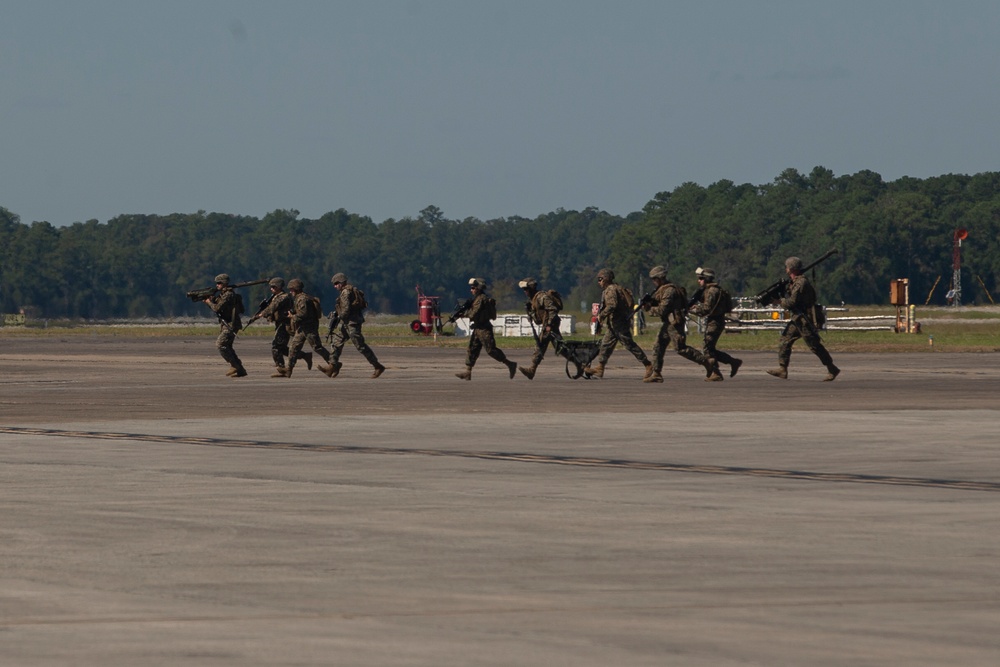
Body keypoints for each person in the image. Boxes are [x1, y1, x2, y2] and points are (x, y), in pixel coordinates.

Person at [767, 257, 840, 381]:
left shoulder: (801, 283)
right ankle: (783, 369)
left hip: (805, 320)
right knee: (785, 340)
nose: (786, 269)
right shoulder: (794, 282)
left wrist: (779, 301)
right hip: (797, 319)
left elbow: (792, 302)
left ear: (791, 268)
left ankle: (832, 368)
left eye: (787, 267)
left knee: (814, 345)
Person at [642, 265, 715, 383]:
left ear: (660, 278)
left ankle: (706, 362)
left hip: (675, 324)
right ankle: (656, 373)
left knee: (681, 348)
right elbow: (657, 301)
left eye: (654, 279)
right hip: (668, 323)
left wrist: (649, 308)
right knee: (658, 347)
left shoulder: (669, 290)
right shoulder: (662, 289)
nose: (653, 282)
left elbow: (662, 310)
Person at [583, 268, 652, 379]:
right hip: (614, 325)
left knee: (629, 345)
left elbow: (612, 305)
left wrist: (601, 316)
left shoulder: (611, 289)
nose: (599, 282)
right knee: (605, 345)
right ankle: (600, 368)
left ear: (606, 279)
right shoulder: (614, 288)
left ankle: (648, 364)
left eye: (600, 279)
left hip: (619, 324)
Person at [248, 277, 312, 378]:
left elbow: (272, 308)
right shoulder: (276, 296)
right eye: (271, 287)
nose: (271, 289)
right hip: (280, 324)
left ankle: (281, 368)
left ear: (278, 287)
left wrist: (259, 315)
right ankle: (304, 355)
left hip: (285, 324)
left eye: (273, 287)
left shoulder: (283, 297)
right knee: (282, 348)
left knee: (276, 347)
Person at [455, 277, 517, 381]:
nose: (471, 290)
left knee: (491, 350)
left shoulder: (481, 299)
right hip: (478, 328)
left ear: (478, 288)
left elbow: (474, 313)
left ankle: (510, 364)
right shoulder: (477, 299)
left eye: (473, 288)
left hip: (484, 329)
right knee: (472, 349)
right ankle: (468, 372)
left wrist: (464, 314)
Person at [687, 267, 742, 382]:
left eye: (701, 278)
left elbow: (706, 309)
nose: (699, 281)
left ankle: (717, 372)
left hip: (715, 322)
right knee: (710, 348)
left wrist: (692, 309)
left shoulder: (712, 291)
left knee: (707, 348)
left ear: (706, 279)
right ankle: (731, 363)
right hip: (715, 321)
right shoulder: (713, 290)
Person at [327, 273, 385, 379]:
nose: (335, 286)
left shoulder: (345, 292)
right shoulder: (349, 290)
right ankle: (332, 365)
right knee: (337, 342)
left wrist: (337, 316)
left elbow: (345, 310)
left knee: (360, 346)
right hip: (347, 323)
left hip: (352, 323)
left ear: (341, 283)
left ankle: (378, 366)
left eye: (336, 284)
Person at [281, 278, 335, 378]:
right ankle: (289, 369)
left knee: (317, 347)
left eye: (291, 289)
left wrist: (292, 316)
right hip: (302, 328)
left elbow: (303, 314)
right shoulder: (300, 298)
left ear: (296, 289)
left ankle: (333, 365)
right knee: (293, 348)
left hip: (309, 328)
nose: (290, 291)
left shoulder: (302, 299)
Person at [517, 277, 566, 380]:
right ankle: (581, 365)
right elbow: (538, 320)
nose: (525, 292)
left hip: (550, 325)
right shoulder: (534, 299)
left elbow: (553, 309)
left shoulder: (541, 297)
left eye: (526, 289)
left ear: (531, 288)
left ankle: (532, 370)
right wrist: (530, 311)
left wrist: (548, 324)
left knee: (540, 345)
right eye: (524, 290)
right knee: (561, 348)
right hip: (548, 325)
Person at [202, 273, 247, 377]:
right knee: (228, 346)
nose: (217, 285)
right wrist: (211, 301)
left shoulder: (228, 294)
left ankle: (235, 365)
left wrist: (209, 302)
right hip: (227, 324)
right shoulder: (223, 294)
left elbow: (217, 308)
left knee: (221, 344)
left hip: (231, 324)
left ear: (224, 283)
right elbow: (217, 308)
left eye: (219, 283)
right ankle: (240, 370)